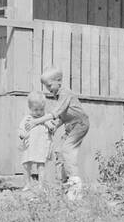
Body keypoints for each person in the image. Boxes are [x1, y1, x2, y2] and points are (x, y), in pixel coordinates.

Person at [23, 68, 89, 200]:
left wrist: (36, 121)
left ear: (58, 81)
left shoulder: (65, 94)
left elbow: (54, 113)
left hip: (80, 124)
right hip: (70, 125)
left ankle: (75, 185)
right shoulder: (58, 95)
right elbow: (63, 117)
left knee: (67, 150)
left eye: (49, 85)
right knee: (59, 151)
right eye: (45, 86)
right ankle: (64, 183)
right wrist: (55, 126)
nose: (48, 89)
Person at [18, 92, 55, 190]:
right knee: (26, 165)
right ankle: (27, 184)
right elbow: (21, 130)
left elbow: (53, 128)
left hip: (41, 146)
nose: (39, 112)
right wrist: (22, 134)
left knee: (41, 165)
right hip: (29, 146)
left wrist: (46, 123)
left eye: (41, 109)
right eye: (35, 110)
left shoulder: (46, 118)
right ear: (30, 108)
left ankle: (41, 185)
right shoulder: (27, 118)